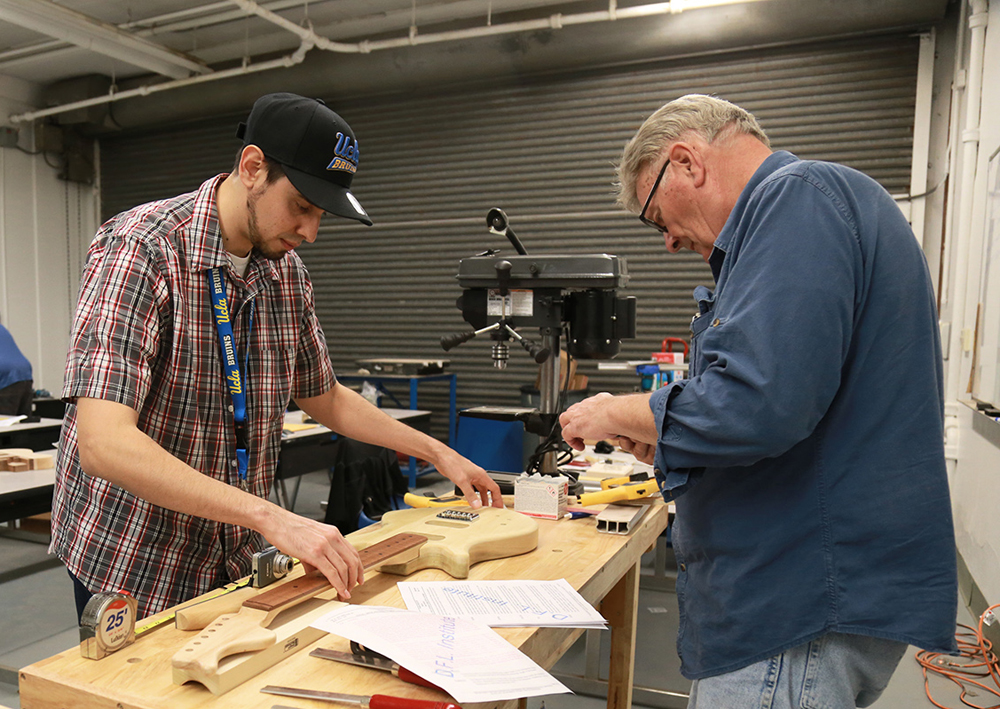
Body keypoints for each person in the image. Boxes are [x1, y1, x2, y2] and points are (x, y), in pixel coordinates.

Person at [559, 95, 957, 708]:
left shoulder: (797, 199)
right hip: (798, 596)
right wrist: (670, 430)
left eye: (654, 215)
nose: (665, 240)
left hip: (797, 601)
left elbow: (756, 402)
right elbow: (780, 397)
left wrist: (613, 411)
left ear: (686, 161)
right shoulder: (807, 212)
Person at [51, 92, 503, 621]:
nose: (310, 233)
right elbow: (105, 444)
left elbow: (326, 395)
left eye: (322, 215)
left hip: (231, 547)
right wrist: (270, 517)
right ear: (252, 167)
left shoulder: (285, 274)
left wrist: (436, 452)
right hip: (134, 553)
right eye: (302, 207)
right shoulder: (141, 250)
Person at [0, 322, 33, 417]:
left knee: (4, 426)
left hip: (6, 376)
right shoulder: (2, 328)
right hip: (25, 373)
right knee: (23, 424)